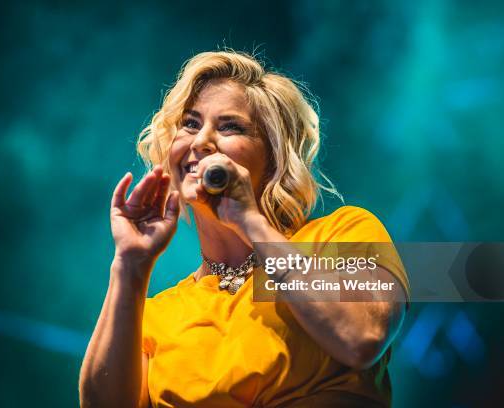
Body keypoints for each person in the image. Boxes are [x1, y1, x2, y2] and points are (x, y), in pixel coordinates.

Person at [79, 50, 409, 407]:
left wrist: (250, 222)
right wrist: (130, 265)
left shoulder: (343, 233)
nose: (201, 141)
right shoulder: (158, 315)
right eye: (190, 123)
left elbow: (361, 337)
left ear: (274, 159)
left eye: (230, 127)